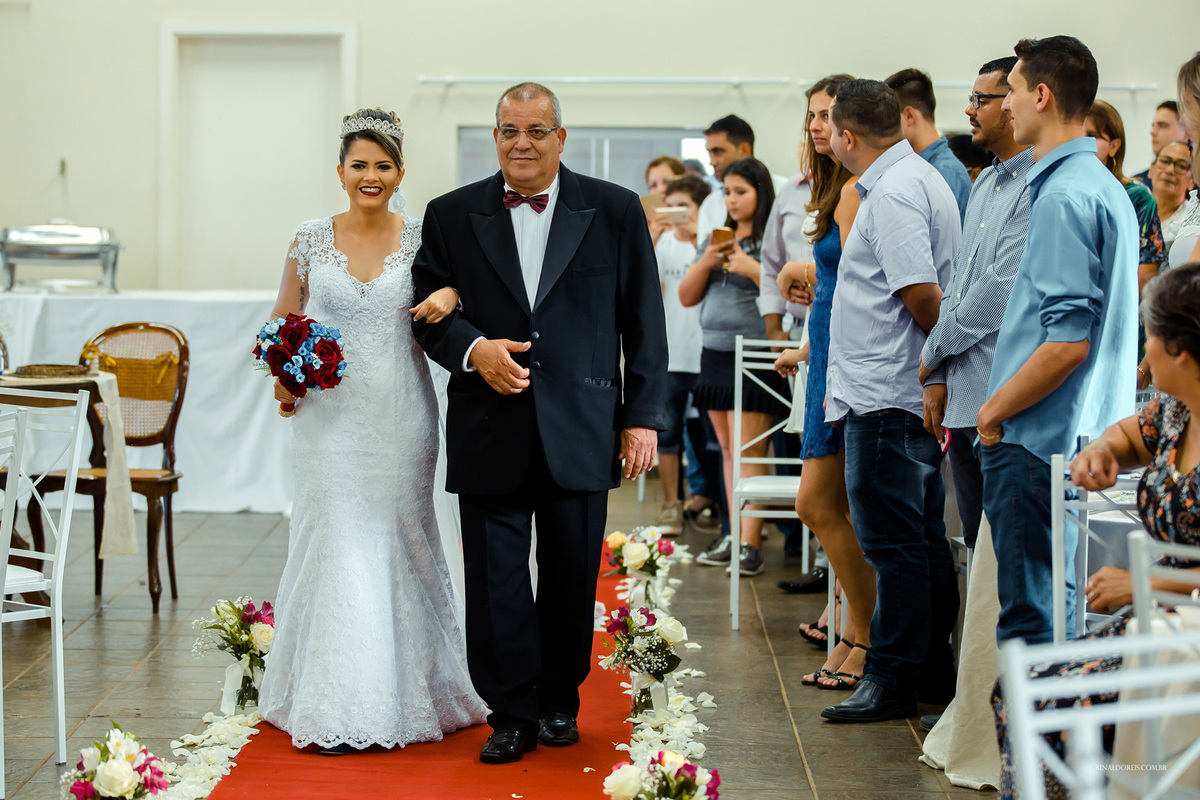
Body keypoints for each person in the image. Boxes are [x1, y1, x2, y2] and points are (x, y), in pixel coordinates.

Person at [410, 83, 668, 764]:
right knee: (495, 580)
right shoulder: (450, 213)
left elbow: (644, 320)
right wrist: (474, 350)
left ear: (560, 137)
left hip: (581, 421)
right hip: (488, 422)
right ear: (495, 136)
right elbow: (426, 313)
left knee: (570, 572)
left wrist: (642, 418)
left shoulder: (614, 209)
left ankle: (558, 701)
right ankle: (509, 712)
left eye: (535, 130)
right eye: (508, 130)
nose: (520, 143)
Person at [257, 108, 488, 754]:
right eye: (359, 164)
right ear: (340, 171)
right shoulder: (309, 239)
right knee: (337, 538)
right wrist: (286, 375)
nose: (371, 175)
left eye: (383, 166)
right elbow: (283, 321)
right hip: (328, 420)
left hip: (401, 416)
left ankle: (414, 687)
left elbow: (465, 290)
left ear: (400, 173)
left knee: (398, 536)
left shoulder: (422, 237)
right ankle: (336, 700)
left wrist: (452, 296)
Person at [990, 262, 1200, 800]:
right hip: (1160, 624)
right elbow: (1131, 435)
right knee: (1018, 690)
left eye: (1149, 336)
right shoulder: (1177, 413)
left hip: (1187, 638)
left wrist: (1143, 586)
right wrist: (1104, 449)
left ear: (1178, 349)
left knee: (1046, 703)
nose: (1143, 349)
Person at [978, 36, 1139, 648]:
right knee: (1056, 609)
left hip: (1036, 434)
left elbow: (1067, 343)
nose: (1006, 105)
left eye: (1013, 91)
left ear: (1041, 95)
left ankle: (1034, 719)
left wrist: (993, 412)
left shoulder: (1065, 194)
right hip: (1078, 432)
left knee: (1031, 622)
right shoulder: (1101, 184)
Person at [819, 79, 962, 724]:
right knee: (918, 539)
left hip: (889, 391)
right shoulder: (905, 178)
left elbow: (923, 296)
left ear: (848, 136)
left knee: (892, 543)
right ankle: (927, 669)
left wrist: (933, 367)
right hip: (893, 387)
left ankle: (894, 676)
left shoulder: (897, 191)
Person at [915, 55, 1033, 770]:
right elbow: (958, 280)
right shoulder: (985, 181)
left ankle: (999, 717)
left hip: (1002, 395)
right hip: (963, 389)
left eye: (984, 99)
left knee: (1000, 559)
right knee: (972, 552)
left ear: (1017, 103)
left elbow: (997, 292)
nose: (972, 111)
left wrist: (934, 347)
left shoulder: (1038, 188)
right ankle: (972, 696)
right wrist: (937, 369)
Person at [771, 73, 877, 690]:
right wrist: (807, 344)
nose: (817, 125)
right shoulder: (834, 185)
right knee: (828, 505)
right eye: (811, 115)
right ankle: (855, 628)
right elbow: (836, 283)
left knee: (821, 504)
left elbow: (862, 284)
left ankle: (866, 632)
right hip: (827, 358)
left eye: (826, 114)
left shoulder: (859, 188)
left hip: (849, 365)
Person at [681, 157, 789, 577]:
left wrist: (751, 268)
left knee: (750, 450)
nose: (732, 199)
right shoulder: (716, 238)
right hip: (715, 354)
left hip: (756, 355)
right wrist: (706, 260)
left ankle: (751, 543)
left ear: (761, 193)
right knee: (726, 450)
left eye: (741, 191)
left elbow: (789, 292)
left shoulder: (771, 240)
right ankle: (733, 532)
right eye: (727, 192)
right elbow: (687, 296)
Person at [654, 174, 712, 535]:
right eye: (671, 207)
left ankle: (722, 502)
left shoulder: (712, 243)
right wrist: (652, 237)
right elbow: (646, 288)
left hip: (707, 354)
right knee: (668, 434)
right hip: (672, 353)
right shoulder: (662, 244)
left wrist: (696, 239)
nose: (676, 214)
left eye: (684, 207)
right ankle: (671, 507)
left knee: (711, 437)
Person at [1085, 100, 1165, 299]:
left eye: (1092, 136)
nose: (1082, 143)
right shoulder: (1061, 192)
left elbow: (1145, 277)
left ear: (1114, 146)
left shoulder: (1137, 197)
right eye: (1077, 135)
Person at [885, 68, 972, 220]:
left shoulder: (946, 172)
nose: (884, 129)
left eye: (889, 120)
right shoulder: (917, 166)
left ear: (909, 116)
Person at [696, 115, 789, 242]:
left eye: (718, 152)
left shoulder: (785, 191)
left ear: (744, 150)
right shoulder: (711, 204)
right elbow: (704, 251)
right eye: (709, 153)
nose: (712, 162)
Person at [1150, 140, 1195, 252]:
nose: (1170, 170)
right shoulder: (1131, 206)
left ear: (1192, 181)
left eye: (1181, 166)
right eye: (1165, 161)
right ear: (1151, 169)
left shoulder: (1192, 223)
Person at [1134, 100, 1189, 189]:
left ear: (1186, 132)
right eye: (1153, 126)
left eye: (1162, 125)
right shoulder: (1136, 186)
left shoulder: (1197, 183)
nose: (1153, 132)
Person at [645, 155, 687, 247]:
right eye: (654, 185)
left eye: (667, 182)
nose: (661, 189)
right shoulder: (644, 227)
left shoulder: (695, 219)